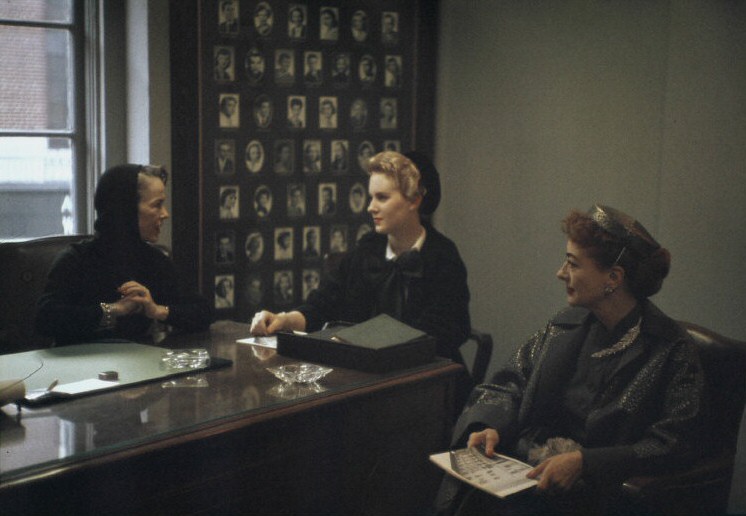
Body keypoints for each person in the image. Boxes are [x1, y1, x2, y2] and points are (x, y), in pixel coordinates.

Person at [436, 204, 706, 516]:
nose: (560, 273)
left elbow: (674, 442)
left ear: (614, 278)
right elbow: (510, 382)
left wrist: (585, 463)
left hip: (600, 497)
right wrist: (490, 426)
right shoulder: (565, 326)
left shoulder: (671, 349)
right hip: (528, 476)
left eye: (573, 264)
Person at [250, 151, 471, 370]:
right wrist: (284, 320)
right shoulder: (366, 249)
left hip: (429, 380)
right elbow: (323, 305)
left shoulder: (443, 256)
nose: (370, 206)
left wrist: (367, 340)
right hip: (365, 375)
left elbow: (447, 330)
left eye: (382, 197)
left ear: (414, 199)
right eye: (371, 196)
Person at [36, 164, 213, 345]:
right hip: (81, 368)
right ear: (124, 210)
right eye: (157, 205)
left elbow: (203, 311)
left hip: (140, 366)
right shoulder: (75, 259)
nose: (165, 214)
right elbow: (45, 319)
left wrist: (157, 310)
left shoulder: (156, 261)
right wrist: (114, 310)